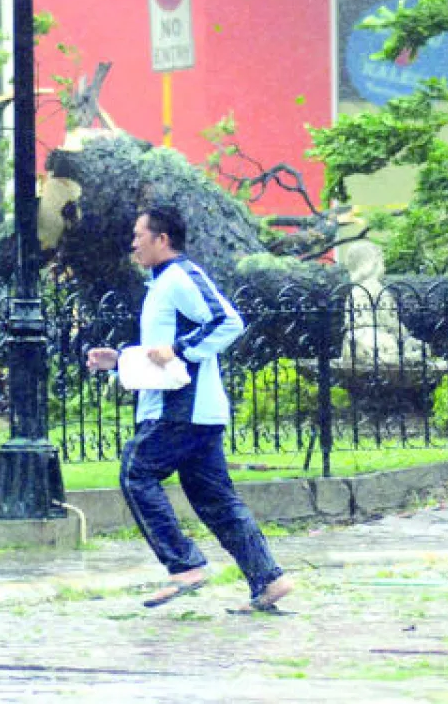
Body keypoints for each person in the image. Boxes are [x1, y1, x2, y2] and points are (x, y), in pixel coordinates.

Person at [86, 206, 293, 612]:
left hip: (181, 410)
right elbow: (163, 351)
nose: (133, 243)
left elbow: (228, 322)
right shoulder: (163, 283)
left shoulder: (180, 277)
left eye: (138, 234)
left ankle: (185, 566)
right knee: (215, 499)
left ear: (162, 239)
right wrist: (122, 360)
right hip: (196, 411)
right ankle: (268, 580)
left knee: (136, 470)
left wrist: (179, 348)